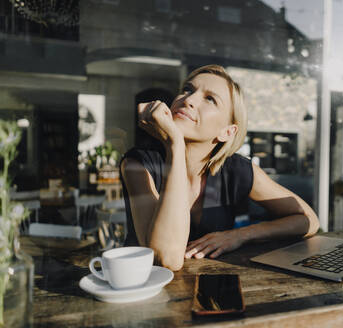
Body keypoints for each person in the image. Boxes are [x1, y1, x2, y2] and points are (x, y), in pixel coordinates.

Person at [120, 65, 319, 271]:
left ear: (227, 132)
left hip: (212, 289)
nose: (188, 100)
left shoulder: (236, 169)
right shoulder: (139, 164)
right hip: (146, 295)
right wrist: (175, 145)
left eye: (210, 99)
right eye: (188, 89)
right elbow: (166, 258)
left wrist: (240, 235)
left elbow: (309, 221)